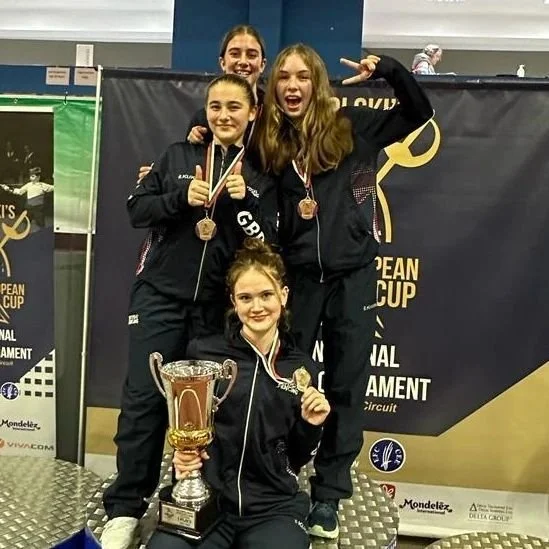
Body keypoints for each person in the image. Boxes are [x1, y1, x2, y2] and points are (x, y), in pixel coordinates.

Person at [252, 44, 433, 539]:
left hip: (353, 277)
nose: (292, 85)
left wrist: (389, 70)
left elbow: (420, 112)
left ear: (318, 82)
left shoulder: (353, 126)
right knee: (283, 380)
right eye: (283, 77)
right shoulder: (269, 140)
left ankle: (328, 495)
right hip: (297, 280)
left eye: (302, 76)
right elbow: (220, 128)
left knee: (347, 385)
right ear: (274, 87)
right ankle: (279, 476)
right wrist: (194, 133)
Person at [101, 74, 277, 549]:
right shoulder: (178, 155)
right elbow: (136, 209)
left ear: (252, 113)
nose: (224, 115)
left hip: (216, 308)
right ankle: (125, 508)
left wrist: (243, 201)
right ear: (206, 110)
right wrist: (180, 199)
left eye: (234, 107)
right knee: (143, 401)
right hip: (159, 296)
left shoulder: (259, 172)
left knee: (208, 408)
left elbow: (268, 240)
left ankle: (200, 497)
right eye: (216, 106)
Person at [147, 238, 330, 549]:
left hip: (273, 509)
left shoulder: (300, 368)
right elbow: (186, 424)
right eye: (246, 297)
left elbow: (297, 457)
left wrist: (311, 425)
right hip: (209, 502)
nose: (257, 307)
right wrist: (184, 455)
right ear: (233, 301)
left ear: (283, 295)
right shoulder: (204, 355)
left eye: (266, 295)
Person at [138, 25, 267, 184]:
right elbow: (189, 172)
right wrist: (163, 175)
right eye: (235, 54)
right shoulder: (203, 119)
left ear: (262, 64)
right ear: (222, 62)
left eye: (251, 55)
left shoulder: (274, 116)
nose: (243, 62)